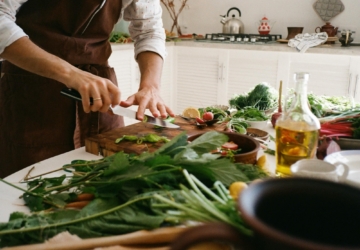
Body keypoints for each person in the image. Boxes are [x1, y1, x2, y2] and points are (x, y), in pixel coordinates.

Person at [0, 0, 175, 178]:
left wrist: (150, 86)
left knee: (108, 180)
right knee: (29, 185)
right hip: (30, 94)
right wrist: (70, 73)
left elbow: (149, 30)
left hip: (101, 97)